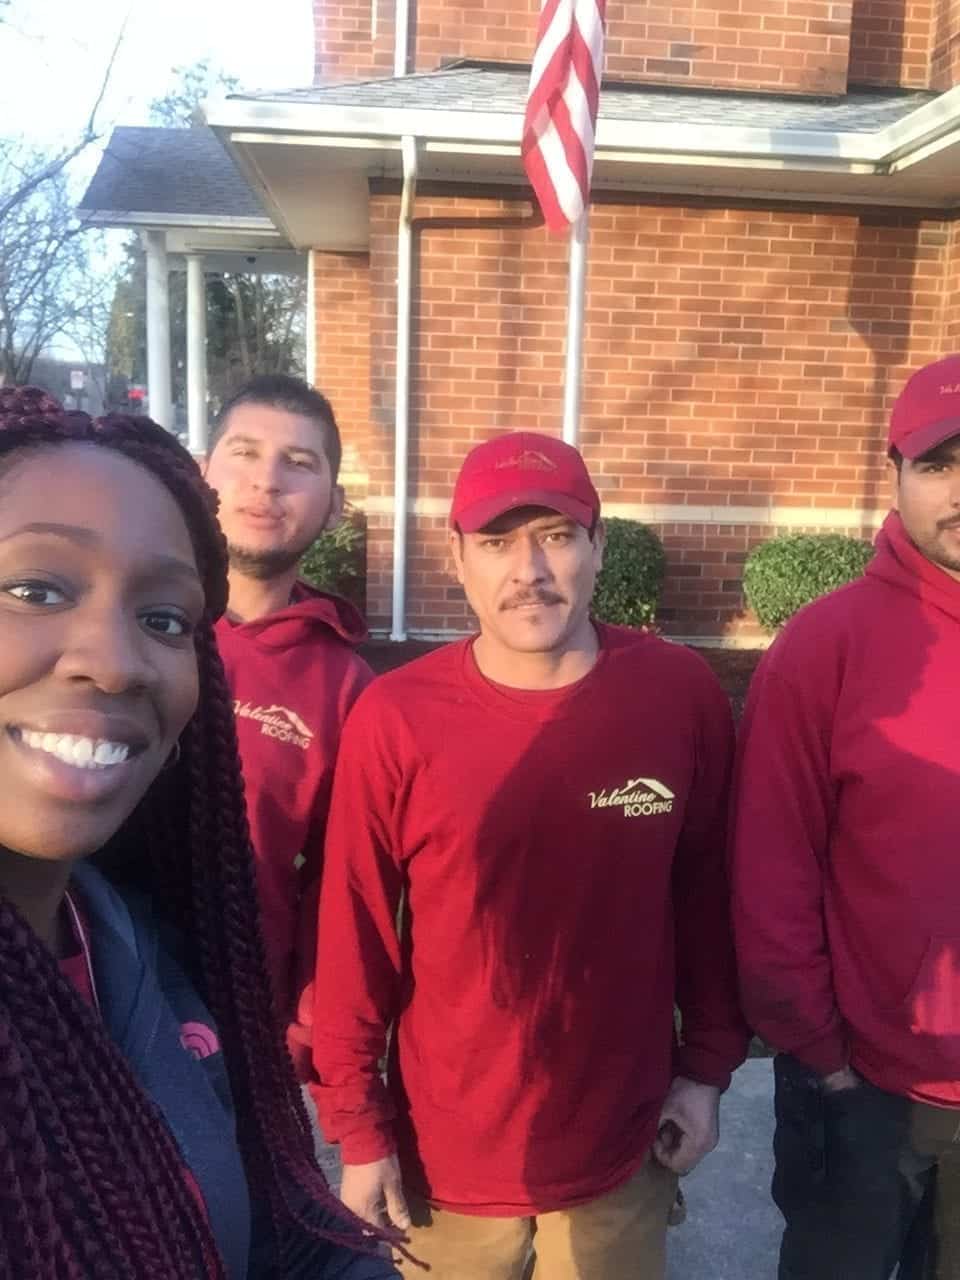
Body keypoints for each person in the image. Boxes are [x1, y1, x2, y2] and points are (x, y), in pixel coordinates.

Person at [311, 431, 748, 1278]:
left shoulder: (677, 694)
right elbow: (355, 933)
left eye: (555, 535)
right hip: (449, 1154)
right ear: (459, 558)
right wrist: (361, 1132)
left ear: (600, 545)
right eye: (497, 542)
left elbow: (705, 897)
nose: (529, 571)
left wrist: (707, 1071)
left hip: (623, 1140)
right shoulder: (398, 718)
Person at [0, 385, 398, 1278]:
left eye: (165, 621)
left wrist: (304, 1062)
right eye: (34, 589)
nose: (110, 660)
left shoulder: (126, 949)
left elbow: (272, 1222)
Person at [731, 354, 960, 1279]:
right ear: (895, 471)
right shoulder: (827, 646)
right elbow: (769, 874)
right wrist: (823, 1057)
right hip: (867, 1089)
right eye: (940, 463)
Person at [203, 375, 372, 1078]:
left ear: (333, 506)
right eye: (244, 452)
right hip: (62, 996)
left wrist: (306, 1035)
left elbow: (337, 890)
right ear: (201, 471)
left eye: (299, 463)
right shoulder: (116, 619)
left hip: (235, 1038)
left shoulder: (345, 687)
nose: (266, 481)